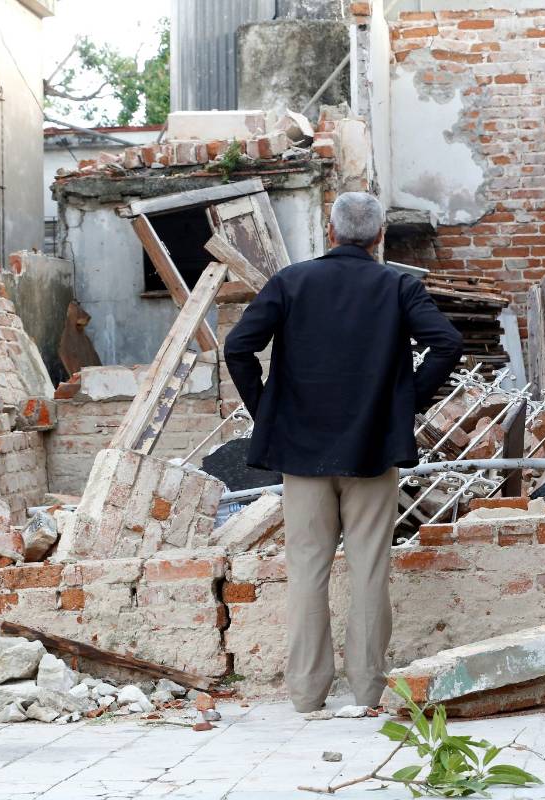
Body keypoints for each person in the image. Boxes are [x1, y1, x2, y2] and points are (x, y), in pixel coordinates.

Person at [224, 192, 463, 712]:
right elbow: (446, 344)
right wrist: (405, 404)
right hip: (374, 450)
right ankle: (368, 690)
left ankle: (308, 695)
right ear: (379, 237)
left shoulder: (291, 282)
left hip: (301, 452)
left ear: (329, 232)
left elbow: (239, 347)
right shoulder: (399, 285)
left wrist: (268, 410)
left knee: (307, 568)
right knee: (370, 567)